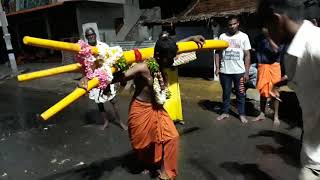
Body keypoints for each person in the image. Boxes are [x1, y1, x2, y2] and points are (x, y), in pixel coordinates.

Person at [81, 34, 204, 180]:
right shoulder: (142, 67)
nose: (172, 61)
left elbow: (175, 47)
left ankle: (167, 174)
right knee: (142, 145)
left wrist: (190, 38)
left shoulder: (166, 58)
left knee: (173, 137)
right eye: (169, 58)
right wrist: (87, 79)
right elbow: (113, 78)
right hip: (140, 109)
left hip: (158, 109)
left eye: (172, 57)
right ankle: (146, 162)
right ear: (157, 55)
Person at [257, 0, 320, 179]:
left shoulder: (315, 45)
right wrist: (279, 83)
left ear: (277, 21)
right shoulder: (295, 52)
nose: (268, 35)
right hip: (312, 158)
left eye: (267, 29)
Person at [84, 27, 127, 130]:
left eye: (92, 34)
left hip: (106, 77)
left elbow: (111, 59)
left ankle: (120, 122)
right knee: (99, 103)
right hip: (95, 79)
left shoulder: (104, 46)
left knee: (113, 100)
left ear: (95, 35)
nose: (91, 37)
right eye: (89, 36)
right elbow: (85, 66)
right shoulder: (85, 50)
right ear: (86, 37)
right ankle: (106, 122)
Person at [215, 15, 251, 123]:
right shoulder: (222, 37)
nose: (232, 26)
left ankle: (242, 114)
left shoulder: (244, 37)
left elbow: (247, 55)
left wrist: (246, 72)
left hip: (239, 72)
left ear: (238, 23)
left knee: (240, 93)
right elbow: (217, 52)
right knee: (226, 93)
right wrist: (217, 67)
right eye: (230, 24)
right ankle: (225, 112)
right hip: (225, 71)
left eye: (234, 24)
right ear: (227, 25)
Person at [252, 28, 282, 126]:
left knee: (275, 92)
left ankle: (276, 115)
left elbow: (277, 50)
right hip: (262, 66)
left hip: (274, 66)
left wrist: (269, 37)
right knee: (263, 91)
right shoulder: (258, 37)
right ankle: (262, 113)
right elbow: (253, 49)